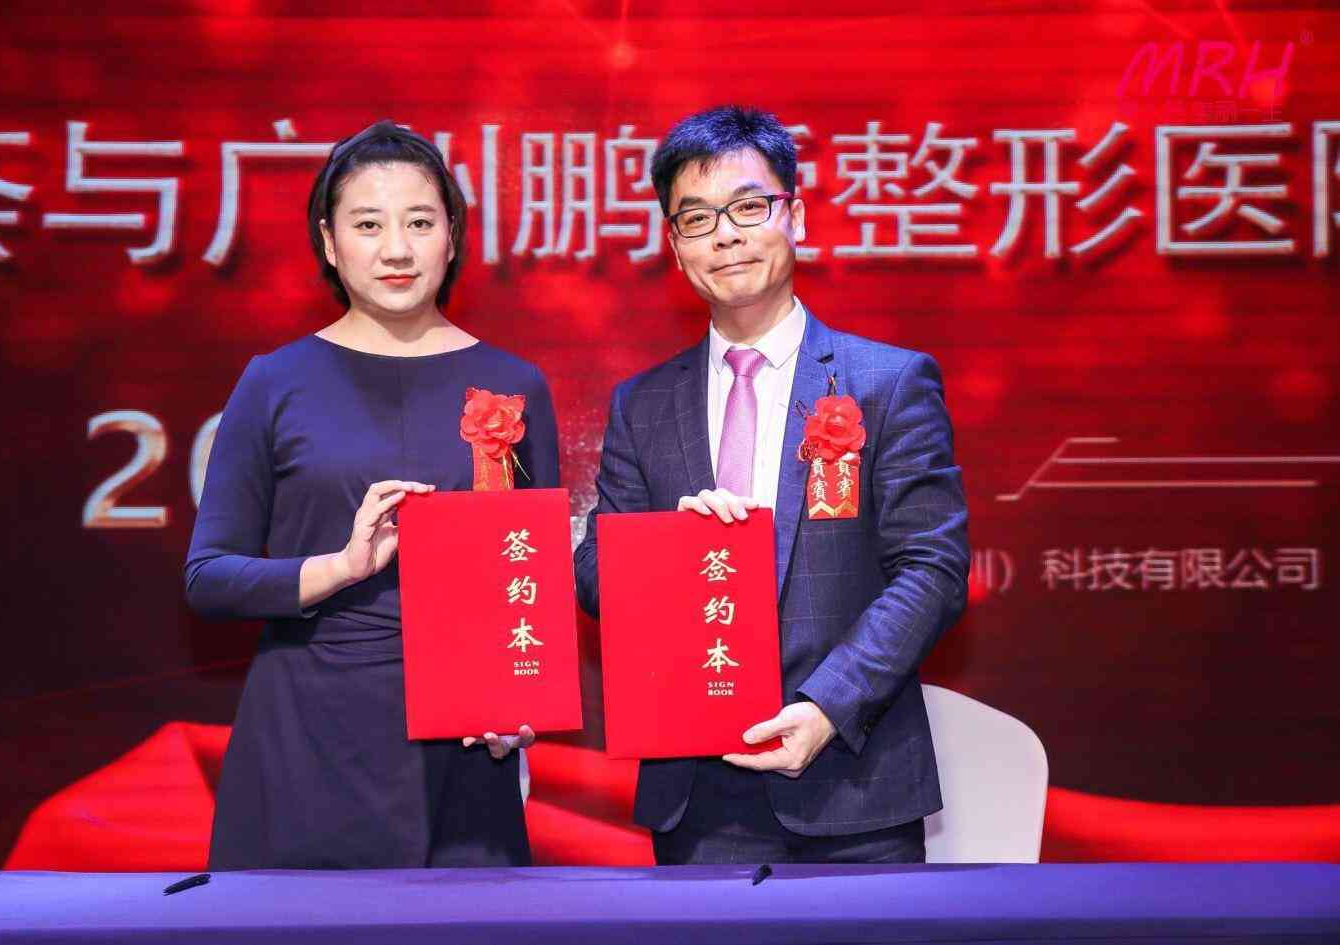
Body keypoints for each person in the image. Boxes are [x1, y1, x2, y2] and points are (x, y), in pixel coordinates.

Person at [573, 105, 969, 864]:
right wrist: (666, 549)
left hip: (850, 784)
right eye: (697, 218)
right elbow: (593, 571)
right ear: (674, 244)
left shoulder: (887, 382)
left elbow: (932, 570)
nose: (725, 235)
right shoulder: (641, 404)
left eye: (749, 207)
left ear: (797, 216)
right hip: (697, 796)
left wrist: (827, 707)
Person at [185, 120, 555, 870]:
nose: (396, 249)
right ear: (329, 242)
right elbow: (209, 577)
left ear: (452, 236)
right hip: (307, 735)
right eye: (367, 224)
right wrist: (341, 567)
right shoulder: (273, 381)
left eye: (419, 222)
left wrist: (519, 706)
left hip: (463, 748)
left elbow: (533, 582)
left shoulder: (516, 384)